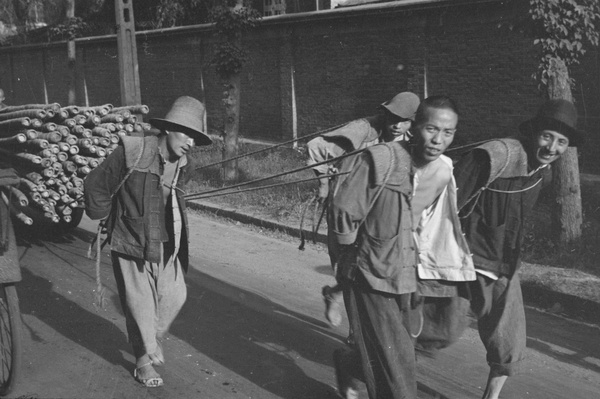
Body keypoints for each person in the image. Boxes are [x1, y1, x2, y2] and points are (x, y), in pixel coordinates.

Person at [331, 96, 473, 399]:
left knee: (399, 349)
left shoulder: (443, 170)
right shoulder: (381, 160)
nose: (438, 140)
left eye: (447, 133)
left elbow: (429, 220)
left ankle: (348, 363)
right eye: (431, 129)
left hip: (407, 271)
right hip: (370, 273)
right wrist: (346, 260)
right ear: (413, 127)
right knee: (396, 371)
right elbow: (344, 210)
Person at [453, 99, 585, 399]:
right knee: (436, 334)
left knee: (510, 344)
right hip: (465, 259)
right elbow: (451, 200)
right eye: (547, 136)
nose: (552, 147)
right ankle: (357, 366)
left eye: (562, 142)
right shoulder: (497, 155)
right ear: (534, 132)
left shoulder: (543, 174)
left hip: (503, 265)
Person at [84, 96, 213, 387]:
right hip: (130, 237)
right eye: (187, 134)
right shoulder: (133, 150)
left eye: (195, 137)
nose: (190, 142)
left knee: (175, 294)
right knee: (140, 304)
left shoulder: (184, 164)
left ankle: (150, 340)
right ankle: (143, 363)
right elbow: (96, 184)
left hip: (167, 239)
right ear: (168, 129)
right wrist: (104, 216)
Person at [306, 91, 420, 327]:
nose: (397, 125)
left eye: (404, 120)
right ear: (384, 113)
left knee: (374, 269)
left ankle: (336, 294)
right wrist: (324, 183)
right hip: (349, 206)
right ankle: (355, 330)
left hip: (382, 214)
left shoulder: (413, 141)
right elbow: (316, 147)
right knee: (347, 264)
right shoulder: (364, 130)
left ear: (412, 122)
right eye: (392, 117)